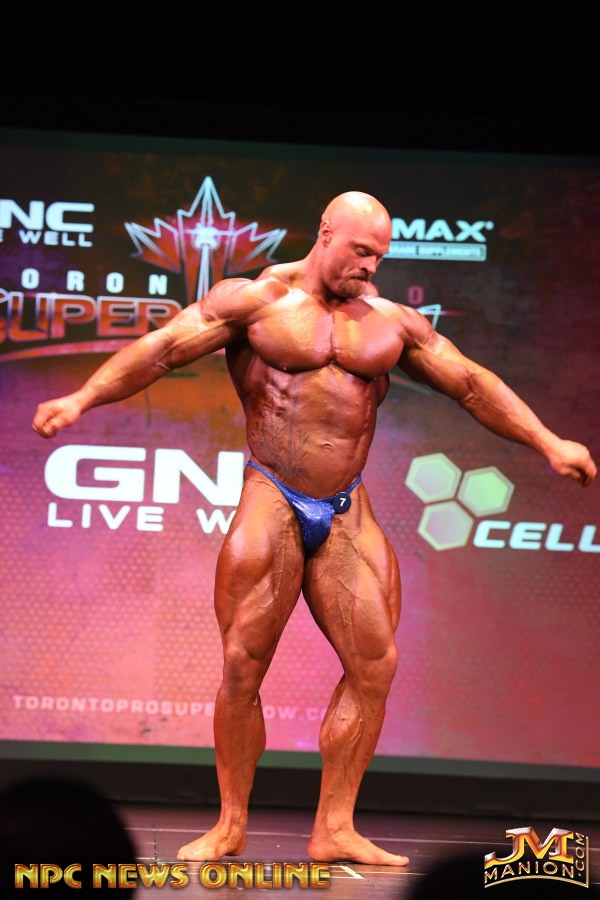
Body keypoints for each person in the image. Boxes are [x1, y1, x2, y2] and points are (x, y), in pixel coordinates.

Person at [32, 191, 596, 867]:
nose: (370, 267)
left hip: (347, 506)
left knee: (376, 665)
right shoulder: (256, 302)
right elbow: (160, 351)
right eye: (361, 252)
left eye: (380, 257)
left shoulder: (390, 324)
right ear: (326, 233)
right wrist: (81, 398)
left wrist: (548, 442)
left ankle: (335, 826)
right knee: (243, 664)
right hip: (272, 494)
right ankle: (230, 824)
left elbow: (472, 385)